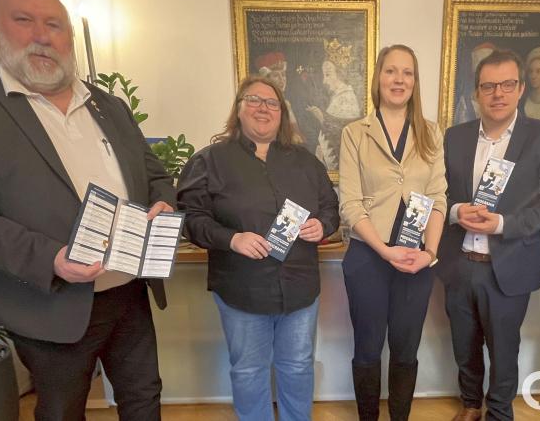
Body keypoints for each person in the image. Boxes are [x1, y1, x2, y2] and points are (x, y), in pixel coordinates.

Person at [0, 0, 175, 421]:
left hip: (129, 290)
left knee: (143, 398)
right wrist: (52, 258)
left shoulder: (108, 105)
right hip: (49, 301)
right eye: (24, 20)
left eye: (54, 24)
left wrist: (164, 204)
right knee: (61, 411)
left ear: (70, 36)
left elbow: (154, 174)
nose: (42, 35)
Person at [177, 76, 339, 421]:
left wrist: (322, 225)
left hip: (299, 288)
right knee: (249, 371)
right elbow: (189, 218)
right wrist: (231, 239)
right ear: (238, 108)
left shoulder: (306, 162)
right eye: (254, 100)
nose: (263, 108)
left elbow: (330, 209)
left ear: (282, 114)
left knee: (297, 367)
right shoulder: (209, 161)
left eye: (272, 103)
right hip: (241, 289)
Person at [436, 49, 540, 421]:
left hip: (508, 265)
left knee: (503, 347)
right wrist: (454, 211)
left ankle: (498, 411)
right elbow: (438, 193)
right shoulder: (455, 137)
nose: (498, 93)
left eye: (507, 84)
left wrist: (503, 224)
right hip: (459, 263)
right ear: (477, 93)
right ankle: (470, 404)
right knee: (464, 344)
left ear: (521, 88)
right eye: (489, 86)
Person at [339, 44, 448, 421]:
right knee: (368, 350)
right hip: (369, 257)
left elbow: (437, 198)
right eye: (391, 71)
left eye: (407, 73)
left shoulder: (431, 133)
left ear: (415, 82)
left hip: (417, 260)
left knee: (406, 350)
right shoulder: (355, 133)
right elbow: (350, 204)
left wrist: (430, 253)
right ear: (378, 78)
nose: (399, 79)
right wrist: (385, 251)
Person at [308, 38, 363, 170]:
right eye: (323, 75)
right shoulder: (337, 97)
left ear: (341, 74)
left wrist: (322, 118)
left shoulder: (347, 98)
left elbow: (344, 133)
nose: (324, 81)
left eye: (328, 75)